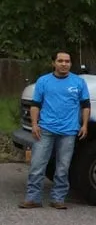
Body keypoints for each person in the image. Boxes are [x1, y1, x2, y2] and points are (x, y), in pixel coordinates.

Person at [20, 50, 90, 209]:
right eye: (60, 61)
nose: (64, 64)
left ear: (70, 64)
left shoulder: (79, 82)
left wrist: (84, 125)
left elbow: (85, 105)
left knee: (63, 167)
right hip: (45, 129)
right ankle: (33, 198)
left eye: (67, 61)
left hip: (69, 131)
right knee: (37, 165)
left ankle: (58, 199)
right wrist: (34, 124)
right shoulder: (43, 81)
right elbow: (35, 105)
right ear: (53, 63)